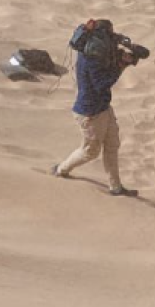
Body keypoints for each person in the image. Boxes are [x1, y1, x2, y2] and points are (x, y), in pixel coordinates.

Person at [51, 20, 139, 197]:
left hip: (103, 108)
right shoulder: (92, 58)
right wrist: (121, 66)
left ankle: (116, 187)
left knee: (112, 145)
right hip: (90, 113)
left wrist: (128, 57)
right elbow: (102, 84)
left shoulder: (95, 51)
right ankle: (61, 170)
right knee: (89, 152)